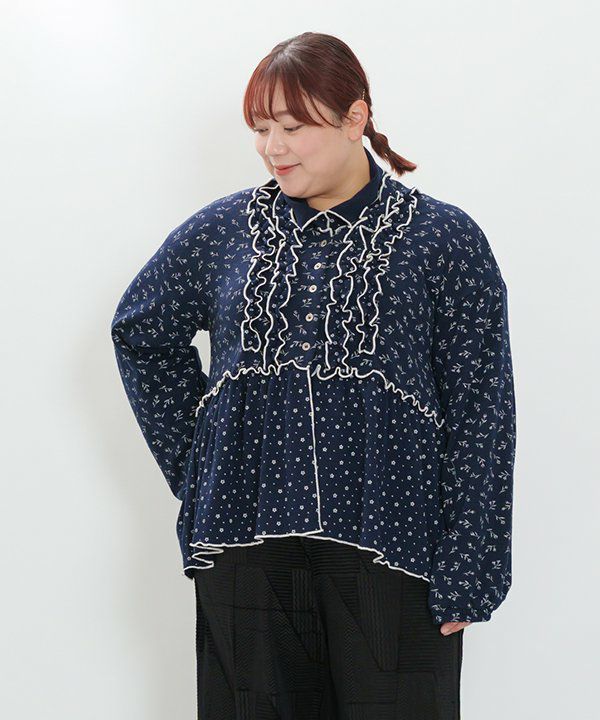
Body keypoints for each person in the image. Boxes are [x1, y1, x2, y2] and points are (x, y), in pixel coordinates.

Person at [111, 31, 516, 720]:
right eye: (260, 128)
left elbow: (483, 409)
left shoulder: (443, 240)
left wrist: (470, 565)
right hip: (248, 551)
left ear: (355, 118)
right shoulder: (225, 231)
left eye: (293, 127)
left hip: (394, 551)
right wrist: (202, 465)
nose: (273, 147)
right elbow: (141, 331)